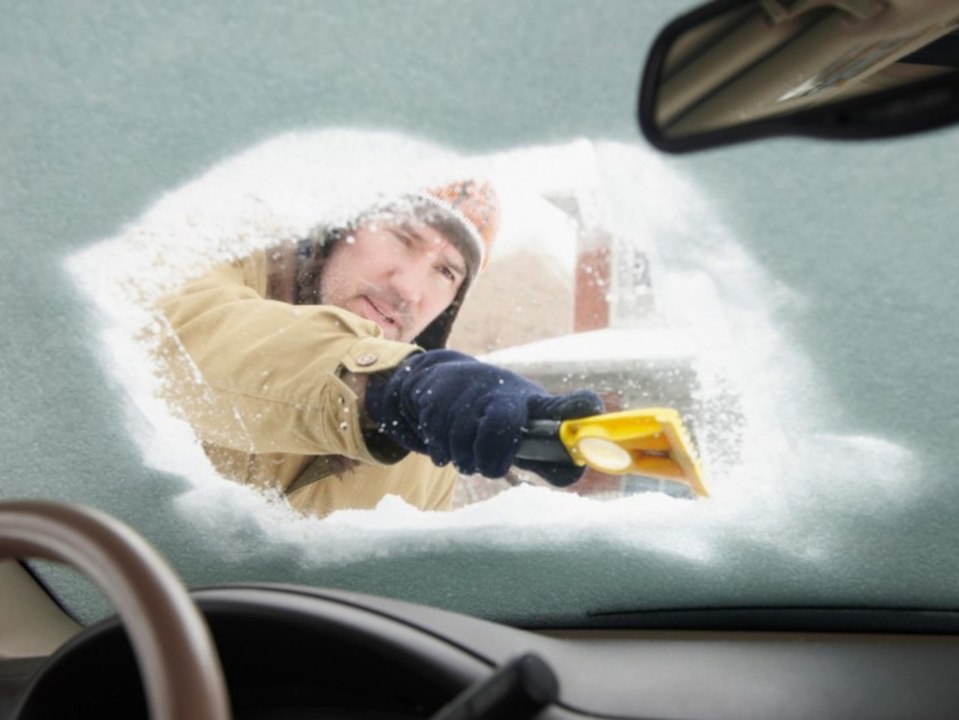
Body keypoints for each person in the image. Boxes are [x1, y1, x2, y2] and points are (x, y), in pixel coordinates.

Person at [156, 179, 603, 517]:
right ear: (341, 228)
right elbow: (189, 347)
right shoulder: (209, 266)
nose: (409, 289)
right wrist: (388, 386)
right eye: (402, 237)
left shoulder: (427, 457)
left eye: (445, 272)